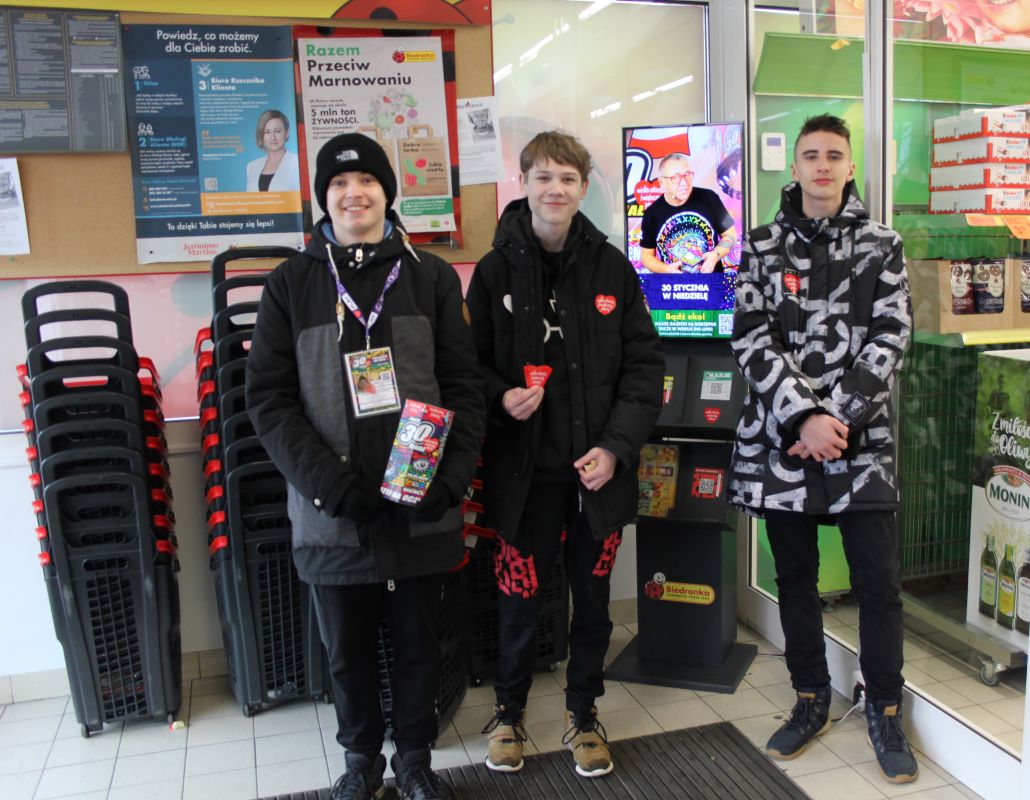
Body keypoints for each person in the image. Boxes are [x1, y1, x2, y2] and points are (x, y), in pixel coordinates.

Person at [245, 132, 484, 800]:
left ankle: (414, 760)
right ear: (323, 199)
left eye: (368, 181)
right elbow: (268, 400)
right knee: (347, 656)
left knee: (419, 648)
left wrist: (451, 482)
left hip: (420, 511)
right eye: (339, 184)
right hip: (333, 518)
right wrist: (329, 486)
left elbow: (464, 387)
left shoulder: (430, 277)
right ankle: (360, 763)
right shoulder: (291, 284)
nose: (354, 194)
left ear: (387, 192)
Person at [466, 131, 664, 779]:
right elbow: (465, 369)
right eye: (543, 177)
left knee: (594, 605)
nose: (555, 189)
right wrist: (500, 398)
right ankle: (508, 714)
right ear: (523, 182)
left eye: (568, 178)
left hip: (596, 477)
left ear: (583, 188)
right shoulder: (493, 272)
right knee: (518, 604)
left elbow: (644, 369)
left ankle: (583, 714)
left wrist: (615, 447)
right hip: (522, 480)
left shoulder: (612, 269)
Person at [726, 114, 917, 784]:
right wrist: (803, 416)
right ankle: (810, 698)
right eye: (811, 155)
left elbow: (892, 336)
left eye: (835, 155)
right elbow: (750, 336)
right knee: (795, 580)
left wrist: (836, 416)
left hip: (861, 443)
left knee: (878, 584)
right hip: (784, 441)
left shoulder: (883, 244)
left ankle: (884, 708)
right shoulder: (758, 246)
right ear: (796, 166)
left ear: (849, 165)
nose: (823, 166)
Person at [639, 153, 736, 274]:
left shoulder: (710, 198)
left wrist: (716, 255)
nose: (684, 182)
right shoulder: (651, 214)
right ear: (662, 182)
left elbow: (731, 236)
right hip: (672, 284)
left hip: (711, 282)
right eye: (675, 177)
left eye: (687, 175)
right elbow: (646, 257)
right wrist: (666, 270)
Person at [245, 109, 301, 192]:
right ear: (261, 135)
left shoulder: (298, 162)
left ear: (287, 133)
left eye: (277, 131)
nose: (273, 137)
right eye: (267, 132)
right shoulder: (252, 167)